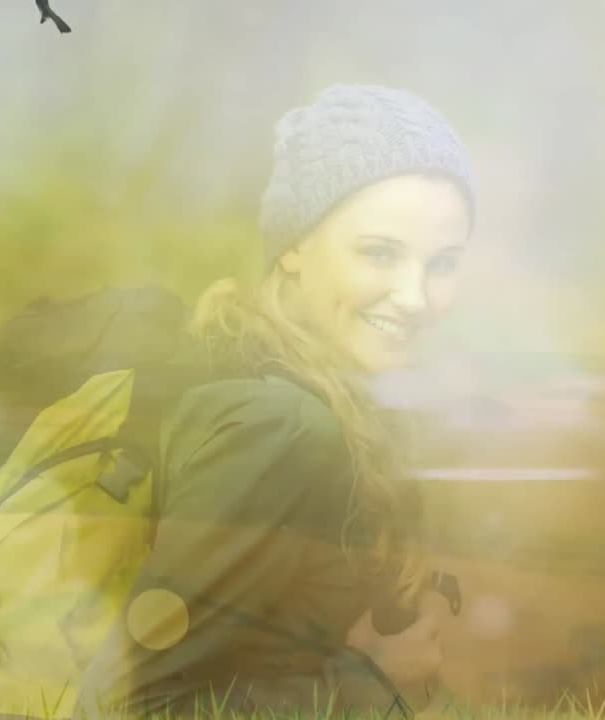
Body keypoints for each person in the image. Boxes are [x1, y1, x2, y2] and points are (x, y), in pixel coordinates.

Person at [73, 83, 477, 719]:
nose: (416, 296)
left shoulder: (282, 379)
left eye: (443, 263)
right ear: (294, 244)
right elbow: (135, 704)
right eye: (379, 253)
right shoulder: (280, 426)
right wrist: (376, 683)